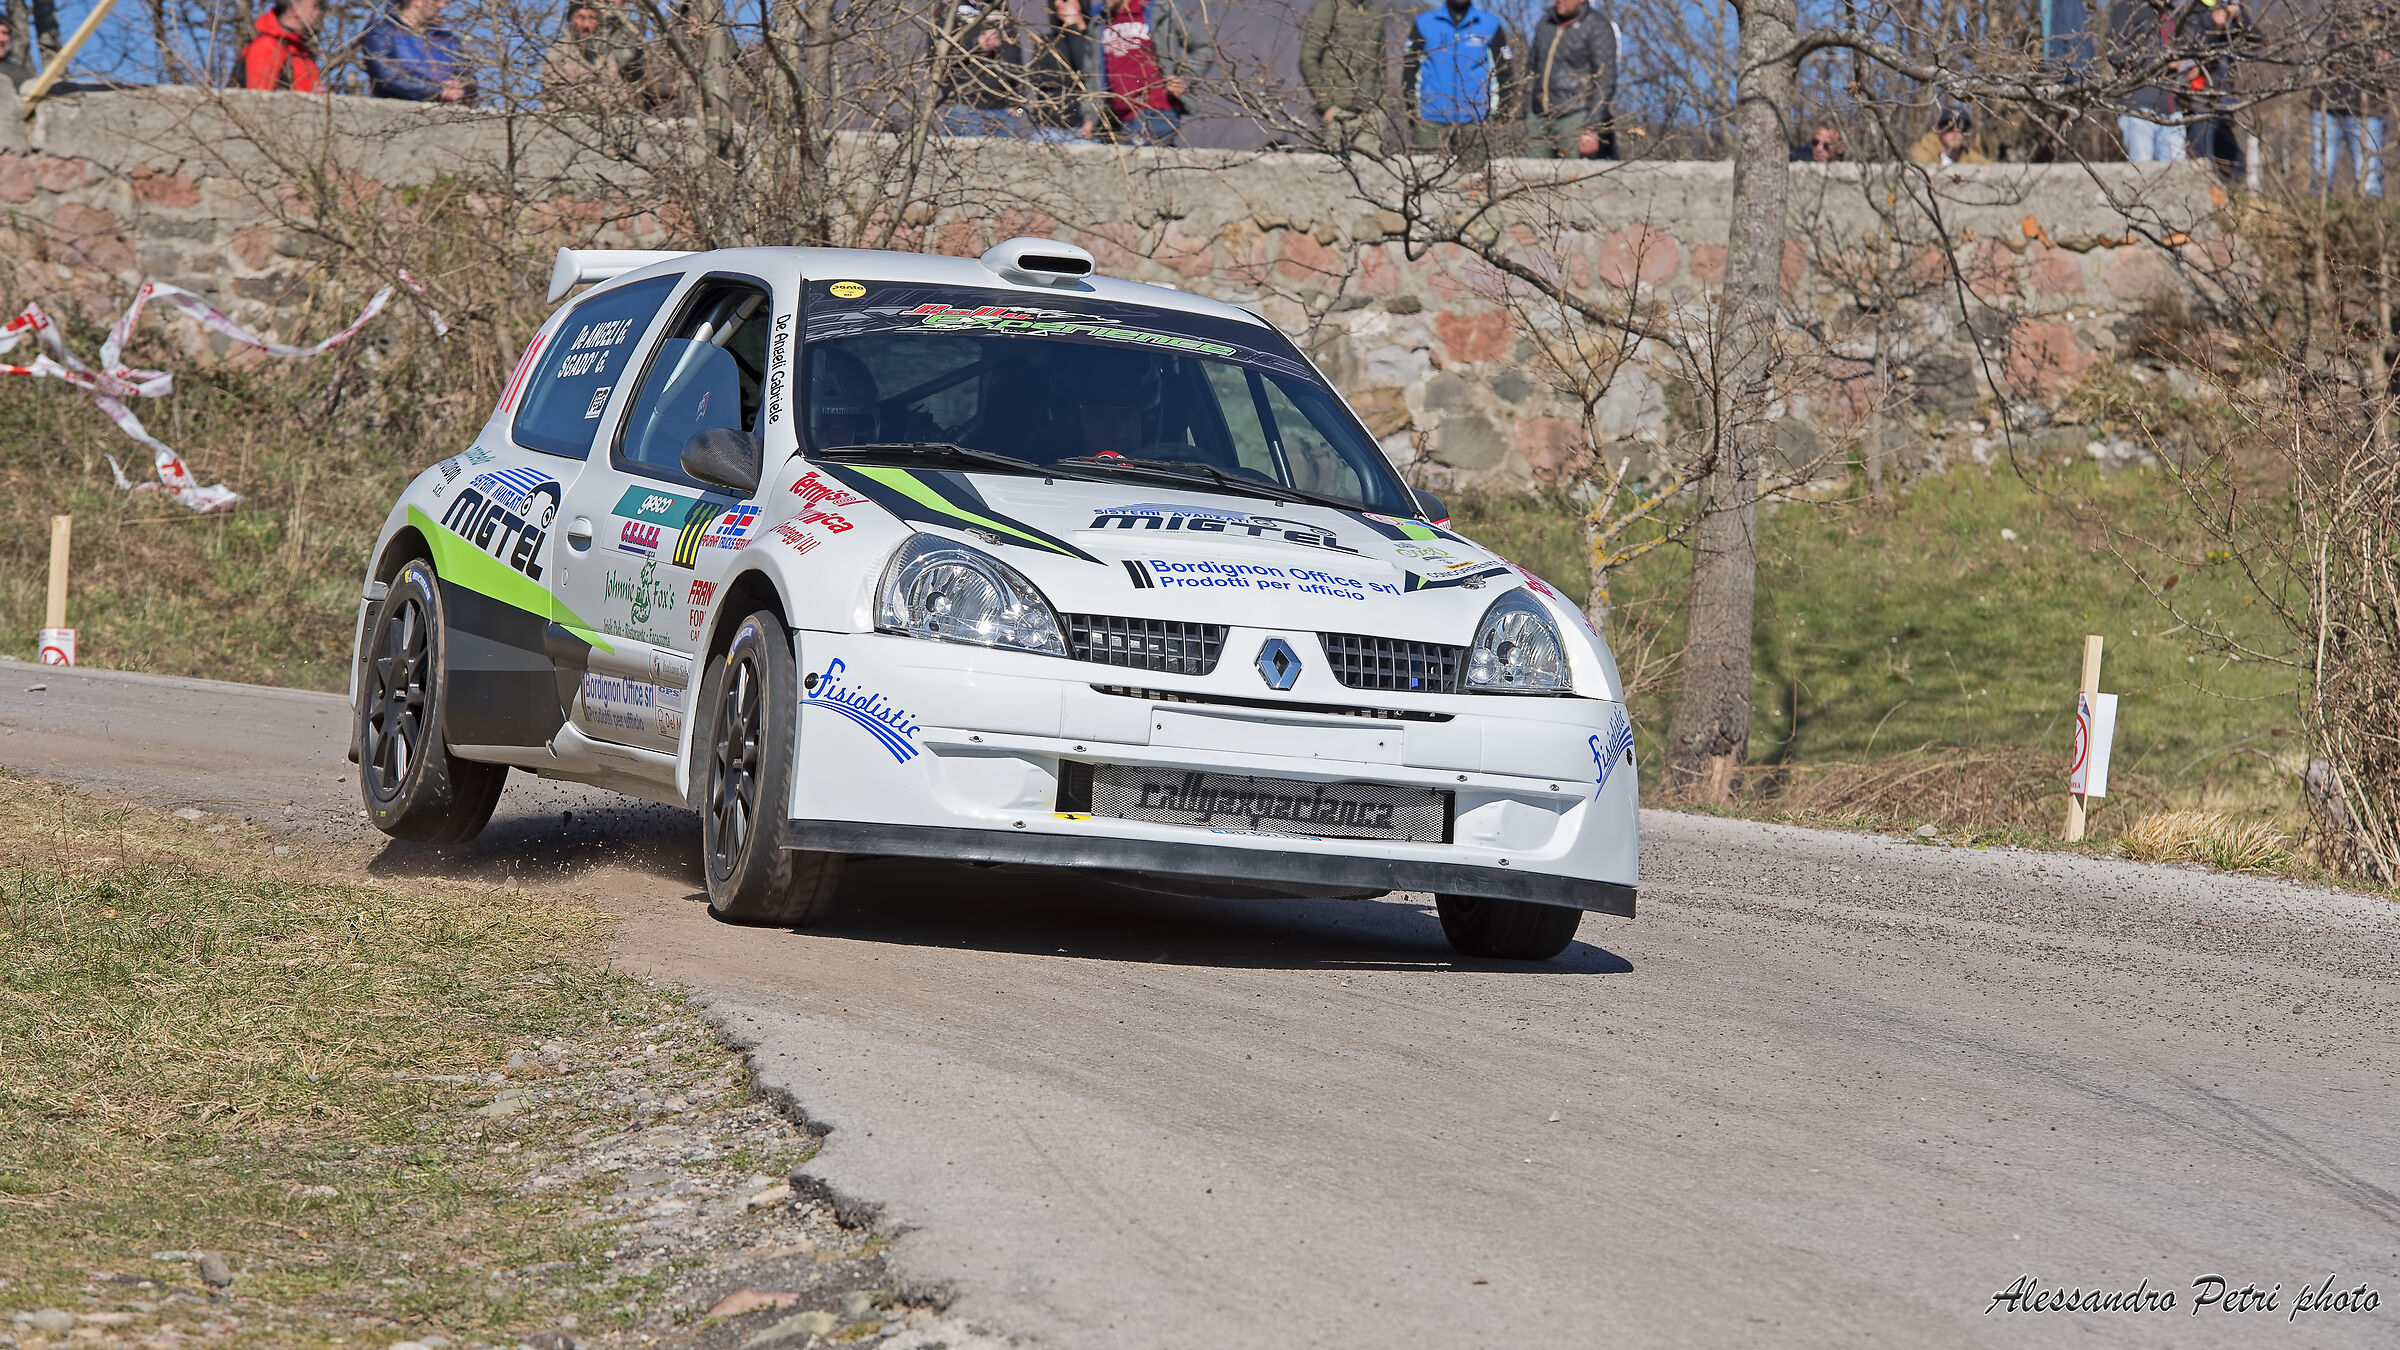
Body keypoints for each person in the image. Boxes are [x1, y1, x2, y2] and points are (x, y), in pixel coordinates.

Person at [1404, 0, 1515, 167]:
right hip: (1429, 120)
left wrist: (1501, 112)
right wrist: (1411, 108)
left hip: (1476, 120)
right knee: (1428, 176)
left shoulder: (1490, 24)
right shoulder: (1424, 23)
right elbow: (1408, 67)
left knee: (1474, 178)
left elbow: (1505, 71)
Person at [1089, 0, 1215, 145]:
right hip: (1119, 118)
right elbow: (1092, 71)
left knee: (1137, 155)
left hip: (1156, 110)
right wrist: (1090, 116)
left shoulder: (1159, 9)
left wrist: (1183, 78)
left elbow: (1204, 46)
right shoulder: (1099, 21)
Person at [1524, 0, 1613, 160]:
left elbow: (1605, 80)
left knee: (1574, 174)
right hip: (1538, 118)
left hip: (1576, 117)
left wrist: (1592, 127)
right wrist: (1527, 112)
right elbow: (1531, 69)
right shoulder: (1545, 23)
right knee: (1532, 173)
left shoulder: (1597, 26)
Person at [1301, 0, 1388, 155]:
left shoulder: (1375, 11)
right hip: (1336, 111)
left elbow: (1381, 63)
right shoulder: (1328, 6)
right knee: (1335, 166)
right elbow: (1308, 59)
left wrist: (1380, 104)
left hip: (1369, 114)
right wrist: (1325, 103)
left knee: (1371, 167)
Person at [2311, 12, 2384, 195]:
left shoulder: (2385, 19)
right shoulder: (2333, 15)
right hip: (2328, 106)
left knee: (2370, 181)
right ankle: (2317, 208)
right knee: (2321, 176)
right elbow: (2323, 57)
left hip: (2368, 109)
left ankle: (2370, 210)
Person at [2177, 0, 2248, 180]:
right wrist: (2216, 26)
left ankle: (2231, 191)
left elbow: (2256, 43)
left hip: (2223, 101)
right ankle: (2204, 188)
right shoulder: (2192, 12)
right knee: (2203, 157)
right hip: (2199, 99)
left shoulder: (2230, 13)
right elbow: (2192, 54)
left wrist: (2239, 16)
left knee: (2236, 164)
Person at [937, 3, 1028, 137]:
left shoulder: (1003, 11)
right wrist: (976, 44)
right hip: (963, 109)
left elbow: (1016, 64)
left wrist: (1018, 108)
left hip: (1004, 113)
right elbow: (938, 59)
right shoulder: (951, 11)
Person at [2108, 0, 2180, 161]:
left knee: (2178, 171)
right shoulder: (2129, 6)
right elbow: (2115, 54)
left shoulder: (2173, 10)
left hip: (2172, 107)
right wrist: (2156, 58)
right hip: (2138, 107)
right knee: (2142, 170)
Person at [543, 0, 643, 108]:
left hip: (608, 114)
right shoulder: (559, 53)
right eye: (581, 17)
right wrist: (614, 99)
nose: (586, 25)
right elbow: (568, 95)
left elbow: (621, 87)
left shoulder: (599, 55)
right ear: (570, 20)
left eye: (592, 18)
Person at [363, 0, 470, 102]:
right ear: (417, 1)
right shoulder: (382, 31)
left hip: (448, 111)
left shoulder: (448, 39)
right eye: (436, 0)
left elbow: (468, 79)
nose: (442, 5)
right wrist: (438, 90)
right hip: (398, 110)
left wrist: (461, 90)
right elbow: (386, 74)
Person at [1026, 0, 1099, 140]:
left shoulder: (1095, 37)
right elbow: (1039, 79)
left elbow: (1089, 72)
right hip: (1048, 127)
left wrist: (1076, 29)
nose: (1058, 3)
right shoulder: (1047, 42)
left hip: (1082, 127)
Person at [234, 0, 322, 90]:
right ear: (294, 8)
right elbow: (259, 95)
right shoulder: (266, 46)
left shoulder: (302, 51)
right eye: (314, 6)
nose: (318, 13)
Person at [1908, 109, 1991, 165]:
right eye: (1949, 125)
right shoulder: (1922, 149)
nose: (1956, 130)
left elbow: (1991, 169)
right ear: (1938, 129)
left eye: (1962, 126)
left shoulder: (1969, 155)